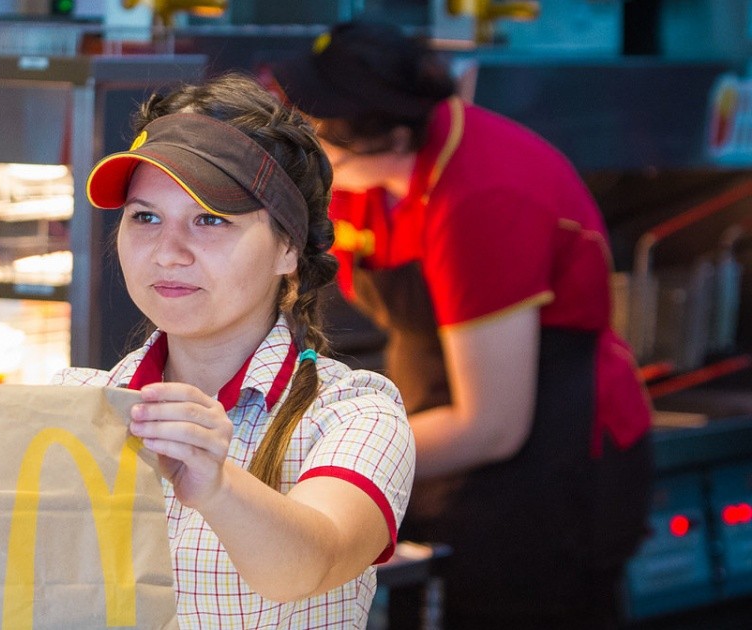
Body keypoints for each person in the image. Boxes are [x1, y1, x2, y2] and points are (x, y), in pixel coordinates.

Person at [0, 73, 415, 629]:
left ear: (289, 249)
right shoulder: (73, 402)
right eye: (145, 218)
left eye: (210, 221)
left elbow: (312, 565)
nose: (168, 251)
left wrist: (217, 483)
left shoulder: (353, 412)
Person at [264, 19, 655, 630]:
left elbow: (493, 426)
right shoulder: (364, 169)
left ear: (391, 136)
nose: (310, 156)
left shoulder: (483, 196)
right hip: (439, 427)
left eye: (322, 143)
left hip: (549, 461)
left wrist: (330, 458)